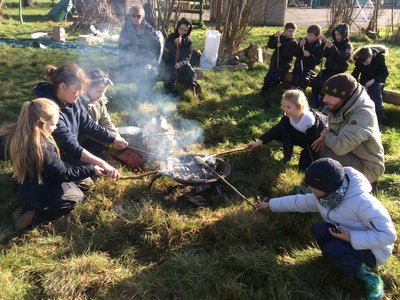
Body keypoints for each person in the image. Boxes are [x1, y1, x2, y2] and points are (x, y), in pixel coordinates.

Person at [256, 158, 396, 300]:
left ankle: (370, 277)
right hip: (346, 235)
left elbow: (389, 235)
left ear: (325, 186)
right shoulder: (325, 196)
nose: (308, 188)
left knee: (332, 249)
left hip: (375, 250)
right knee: (319, 230)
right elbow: (299, 201)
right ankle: (341, 262)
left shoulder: (363, 202)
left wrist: (351, 237)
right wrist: (271, 205)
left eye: (311, 185)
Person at [1, 98, 104, 232]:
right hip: (40, 190)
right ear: (40, 123)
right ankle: (33, 215)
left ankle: (27, 206)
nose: (55, 128)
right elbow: (62, 174)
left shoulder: (14, 134)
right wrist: (92, 169)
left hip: (29, 184)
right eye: (53, 124)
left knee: (86, 183)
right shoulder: (43, 147)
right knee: (78, 197)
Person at [34, 64, 127, 182]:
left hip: (69, 151)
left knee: (91, 174)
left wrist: (113, 138)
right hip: (53, 156)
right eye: (76, 91)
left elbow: (89, 124)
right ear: (63, 87)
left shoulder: (73, 100)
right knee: (87, 181)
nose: (80, 95)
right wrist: (102, 163)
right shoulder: (50, 110)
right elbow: (69, 145)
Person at [311, 73, 384, 186]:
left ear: (344, 97)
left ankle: (357, 188)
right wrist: (324, 133)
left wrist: (325, 137)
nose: (325, 99)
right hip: (351, 153)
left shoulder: (363, 114)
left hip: (368, 166)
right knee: (316, 146)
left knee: (326, 156)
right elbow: (331, 122)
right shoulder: (343, 104)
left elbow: (340, 147)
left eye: (329, 95)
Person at [248, 89, 327, 170]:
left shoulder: (309, 122)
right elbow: (277, 128)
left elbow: (314, 143)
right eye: (284, 106)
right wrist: (260, 141)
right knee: (285, 134)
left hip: (313, 141)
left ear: (300, 107)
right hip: (300, 135)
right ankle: (287, 157)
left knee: (305, 167)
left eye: (288, 107)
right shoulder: (288, 116)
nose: (285, 110)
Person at [118, 5, 161, 100]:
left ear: (143, 17)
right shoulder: (126, 30)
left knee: (153, 73)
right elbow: (124, 50)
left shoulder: (149, 29)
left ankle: (143, 95)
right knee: (141, 73)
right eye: (133, 16)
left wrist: (150, 62)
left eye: (138, 16)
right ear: (130, 16)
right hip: (129, 64)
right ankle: (141, 98)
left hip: (147, 62)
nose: (136, 18)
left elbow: (156, 47)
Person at [78, 69, 119, 158]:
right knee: (98, 150)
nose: (102, 94)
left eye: (104, 91)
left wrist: (116, 136)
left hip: (98, 134)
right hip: (84, 139)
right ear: (87, 88)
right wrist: (110, 140)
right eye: (99, 91)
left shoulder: (100, 101)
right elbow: (89, 129)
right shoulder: (82, 103)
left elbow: (106, 121)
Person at [310, 23, 353, 108]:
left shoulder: (348, 46)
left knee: (327, 84)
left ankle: (326, 106)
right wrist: (323, 44)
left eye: (339, 34)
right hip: (328, 69)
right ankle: (314, 102)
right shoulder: (334, 42)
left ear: (344, 34)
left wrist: (333, 48)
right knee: (316, 81)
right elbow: (324, 54)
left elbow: (343, 57)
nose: (337, 36)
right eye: (335, 34)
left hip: (338, 71)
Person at [161, 17, 201, 96]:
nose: (182, 32)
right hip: (171, 62)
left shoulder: (189, 42)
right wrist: (174, 42)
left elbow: (187, 56)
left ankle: (192, 87)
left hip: (182, 64)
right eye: (181, 28)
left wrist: (181, 63)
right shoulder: (171, 37)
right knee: (169, 75)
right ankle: (170, 91)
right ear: (178, 27)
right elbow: (165, 50)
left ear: (188, 31)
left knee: (190, 72)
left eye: (185, 30)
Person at [351, 45, 389, 123]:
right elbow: (355, 75)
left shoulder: (379, 58)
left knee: (375, 90)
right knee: (358, 93)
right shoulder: (359, 61)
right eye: (363, 63)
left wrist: (373, 80)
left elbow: (385, 73)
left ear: (371, 56)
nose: (365, 64)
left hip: (377, 80)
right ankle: (359, 114)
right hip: (364, 81)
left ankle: (380, 116)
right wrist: (359, 85)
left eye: (367, 62)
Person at [260, 22, 298, 96]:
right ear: (285, 31)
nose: (292, 33)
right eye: (290, 31)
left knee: (276, 78)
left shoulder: (293, 43)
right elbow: (270, 45)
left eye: (294, 31)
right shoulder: (280, 38)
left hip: (284, 65)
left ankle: (271, 90)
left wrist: (281, 47)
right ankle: (264, 90)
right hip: (275, 62)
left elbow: (291, 54)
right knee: (268, 78)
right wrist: (274, 36)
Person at [290, 24, 324, 90]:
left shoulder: (319, 46)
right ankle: (292, 95)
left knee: (304, 81)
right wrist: (299, 46)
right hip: (299, 66)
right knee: (295, 80)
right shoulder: (303, 41)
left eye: (311, 35)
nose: (308, 37)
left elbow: (318, 61)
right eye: (308, 34)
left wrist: (310, 56)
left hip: (309, 69)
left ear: (317, 37)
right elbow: (295, 54)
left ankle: (300, 95)